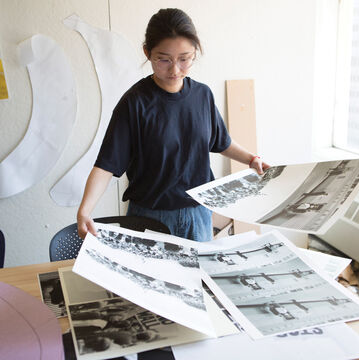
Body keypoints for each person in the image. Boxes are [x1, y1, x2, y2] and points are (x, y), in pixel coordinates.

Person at [77, 8, 269, 242]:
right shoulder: (135, 103)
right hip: (149, 218)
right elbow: (107, 165)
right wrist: (85, 211)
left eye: (184, 59)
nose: (175, 69)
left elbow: (222, 141)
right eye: (163, 59)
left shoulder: (202, 96)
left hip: (198, 214)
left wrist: (251, 159)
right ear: (147, 52)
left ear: (195, 53)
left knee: (197, 278)